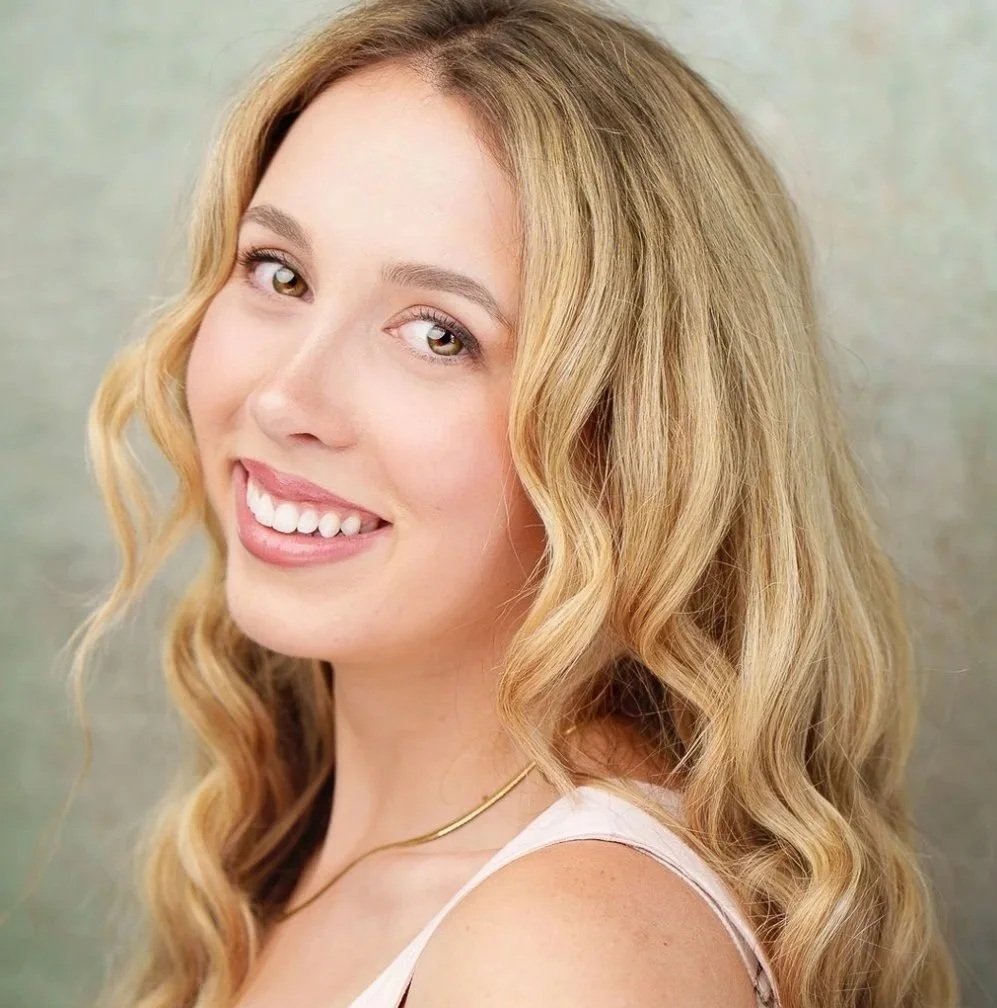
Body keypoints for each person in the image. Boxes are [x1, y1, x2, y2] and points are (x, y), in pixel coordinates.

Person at [69, 1, 959, 1006]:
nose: (284, 398)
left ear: (627, 437)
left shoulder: (564, 953)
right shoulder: (305, 844)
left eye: (438, 334)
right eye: (279, 273)